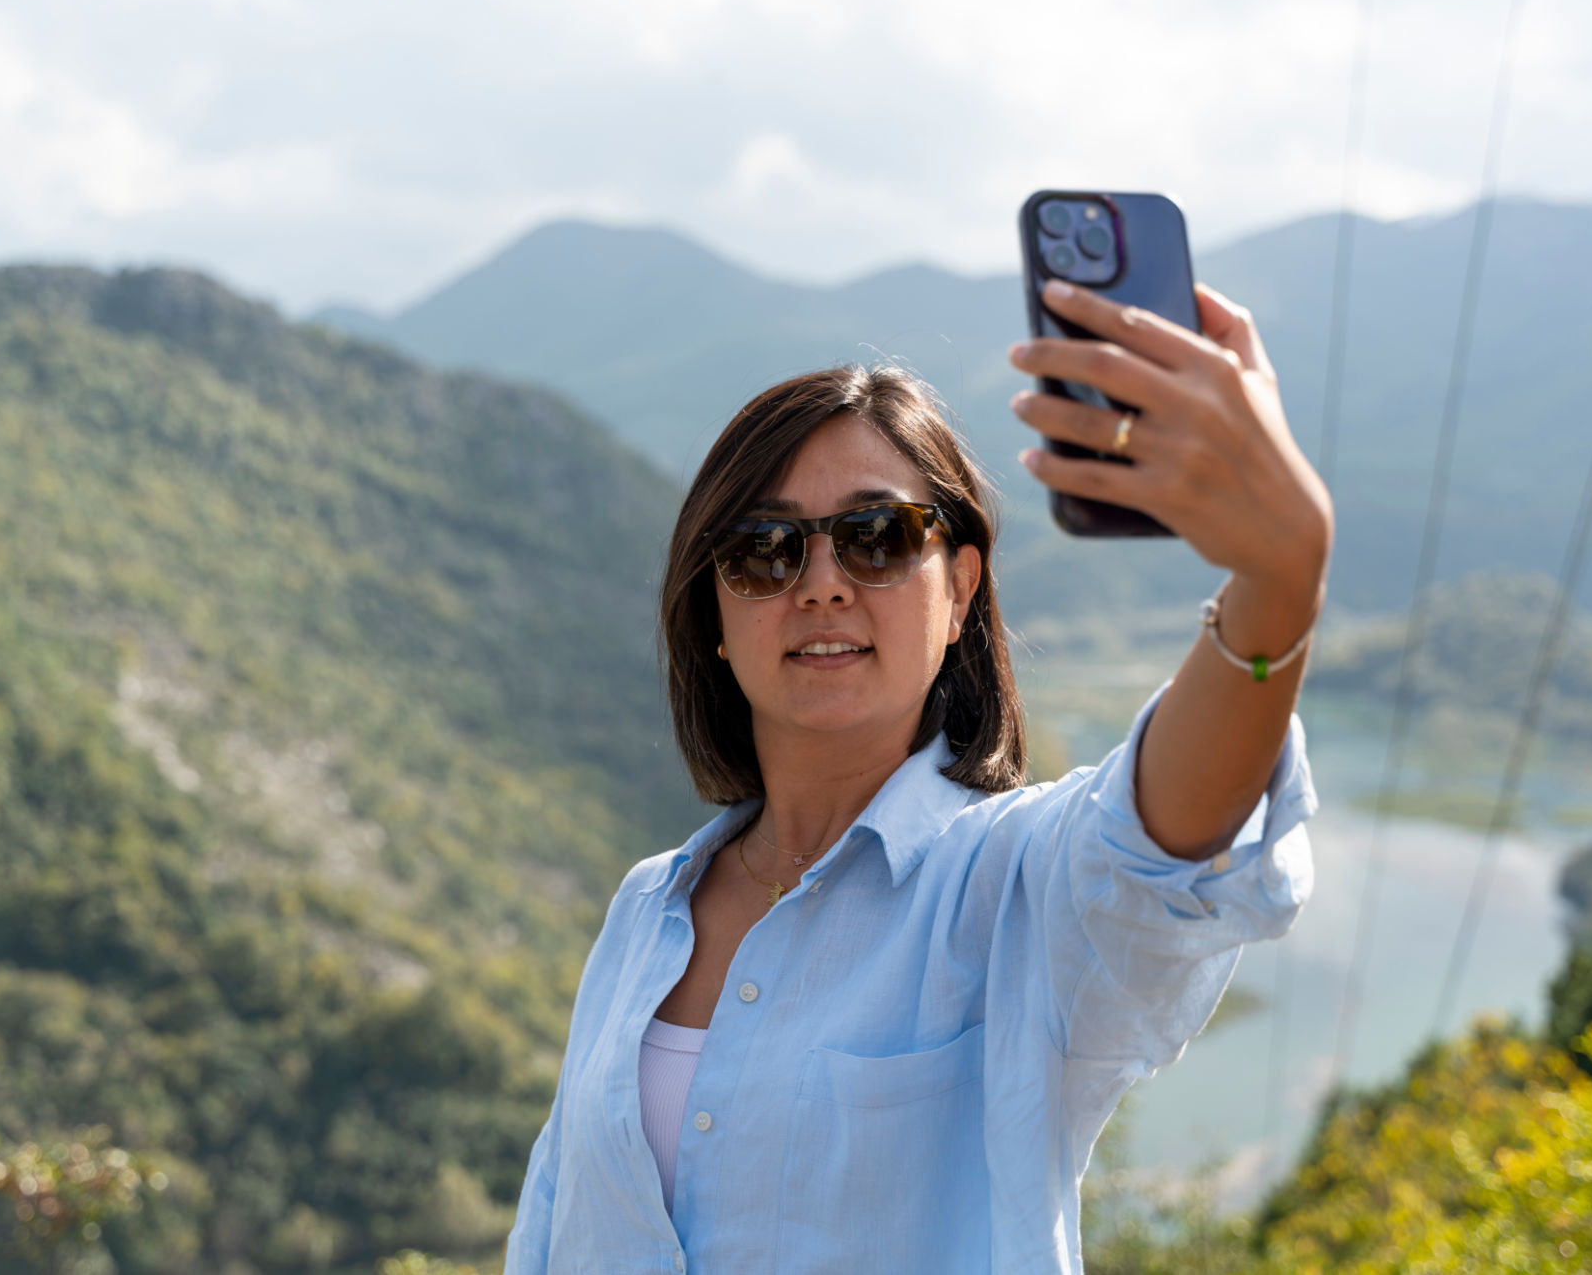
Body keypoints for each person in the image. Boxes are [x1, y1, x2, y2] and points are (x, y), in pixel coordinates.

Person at [503, 276, 1333, 1274]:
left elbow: (1160, 837)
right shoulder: (644, 911)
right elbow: (553, 1231)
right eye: (764, 550)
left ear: (959, 589)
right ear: (715, 614)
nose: (820, 584)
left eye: (877, 537)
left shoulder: (1007, 889)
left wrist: (1277, 580)